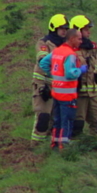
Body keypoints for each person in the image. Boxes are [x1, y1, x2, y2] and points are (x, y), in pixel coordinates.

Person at [38, 29, 86, 149]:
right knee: (67, 121)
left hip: (56, 93)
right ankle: (64, 147)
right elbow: (70, 74)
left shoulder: (57, 51)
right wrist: (81, 70)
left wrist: (54, 75)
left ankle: (54, 144)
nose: (81, 41)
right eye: (79, 39)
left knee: (57, 121)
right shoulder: (70, 54)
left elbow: (43, 63)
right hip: (67, 95)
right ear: (72, 39)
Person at [30, 13, 68, 143]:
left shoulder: (67, 45)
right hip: (43, 84)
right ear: (54, 28)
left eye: (66, 29)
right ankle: (36, 146)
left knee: (56, 121)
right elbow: (42, 60)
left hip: (60, 87)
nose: (64, 31)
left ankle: (50, 148)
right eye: (61, 28)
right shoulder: (44, 43)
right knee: (43, 118)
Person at [69, 15, 97, 137]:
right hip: (78, 95)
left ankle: (96, 146)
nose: (89, 32)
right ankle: (75, 147)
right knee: (77, 125)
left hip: (93, 94)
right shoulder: (69, 49)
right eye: (86, 29)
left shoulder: (93, 47)